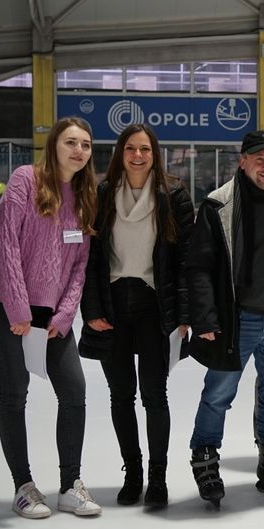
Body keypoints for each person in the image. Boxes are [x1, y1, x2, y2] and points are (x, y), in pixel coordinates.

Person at [0, 116, 101, 520]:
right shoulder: (25, 180)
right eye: (71, 142)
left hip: (53, 316)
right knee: (15, 393)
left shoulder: (85, 195)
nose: (79, 151)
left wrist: (65, 315)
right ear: (53, 145)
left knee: (74, 390)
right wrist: (18, 310)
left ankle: (70, 485)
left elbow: (79, 266)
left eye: (86, 144)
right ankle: (24, 486)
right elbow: (5, 245)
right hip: (8, 311)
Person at [186, 130, 264, 508]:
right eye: (260, 159)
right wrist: (205, 318)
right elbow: (199, 267)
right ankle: (205, 458)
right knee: (218, 394)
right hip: (235, 319)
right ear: (243, 161)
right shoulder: (217, 205)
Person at [81, 123, 194, 508]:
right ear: (120, 152)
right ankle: (133, 473)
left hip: (153, 305)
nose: (138, 156)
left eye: (145, 149)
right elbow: (90, 260)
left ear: (154, 153)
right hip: (113, 304)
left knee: (154, 394)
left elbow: (184, 260)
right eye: (131, 148)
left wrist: (183, 312)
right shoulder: (101, 192)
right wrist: (92, 308)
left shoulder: (173, 193)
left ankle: (158, 476)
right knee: (120, 396)